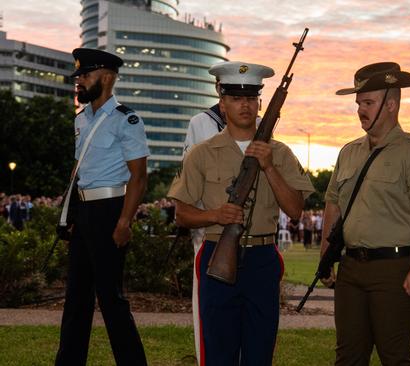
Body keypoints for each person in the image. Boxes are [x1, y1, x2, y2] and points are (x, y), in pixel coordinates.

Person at [168, 61, 314, 366]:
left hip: (262, 259)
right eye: (235, 98)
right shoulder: (201, 154)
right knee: (219, 352)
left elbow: (296, 209)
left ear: (260, 103)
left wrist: (269, 166)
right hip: (215, 252)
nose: (244, 105)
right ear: (222, 104)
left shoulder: (281, 153)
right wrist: (216, 216)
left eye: (251, 98)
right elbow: (181, 214)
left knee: (259, 353)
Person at [320, 62, 410, 366]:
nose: (360, 110)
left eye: (368, 103)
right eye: (359, 103)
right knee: (348, 357)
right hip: (351, 268)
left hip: (396, 269)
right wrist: (326, 254)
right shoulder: (348, 152)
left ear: (390, 105)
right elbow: (333, 203)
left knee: (395, 356)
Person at [55, 48, 149, 365]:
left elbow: (139, 178)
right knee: (76, 297)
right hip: (84, 213)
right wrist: (71, 213)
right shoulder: (80, 120)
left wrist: (124, 222)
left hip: (111, 210)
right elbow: (78, 171)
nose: (79, 82)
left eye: (85, 75)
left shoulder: (127, 120)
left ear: (107, 77)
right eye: (79, 76)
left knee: (111, 298)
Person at [181, 62, 229, 362]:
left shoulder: (263, 123)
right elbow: (188, 180)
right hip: (209, 232)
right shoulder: (200, 123)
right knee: (208, 315)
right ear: (218, 90)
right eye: (228, 92)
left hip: (251, 234)